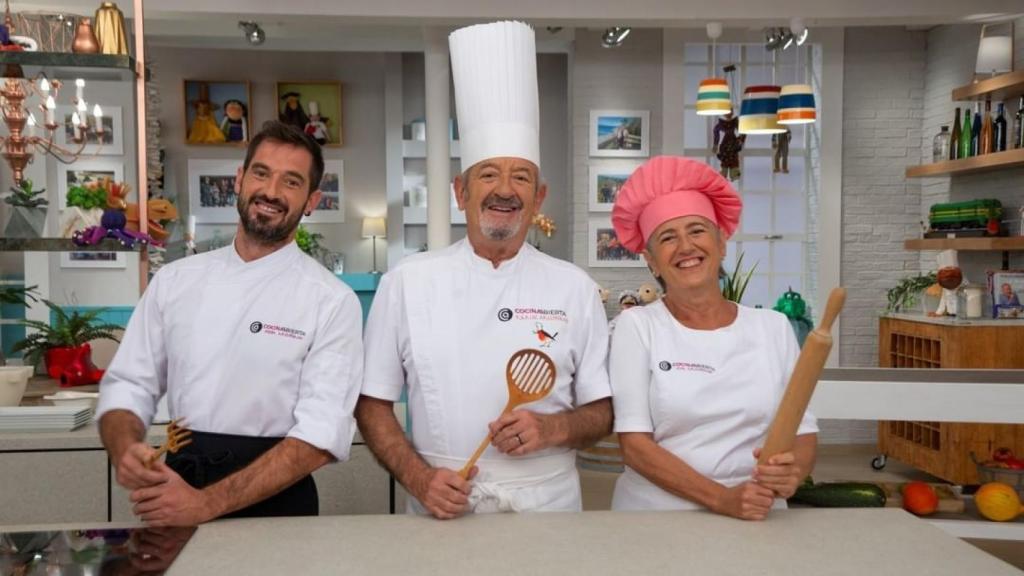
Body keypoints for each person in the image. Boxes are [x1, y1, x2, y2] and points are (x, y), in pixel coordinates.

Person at [357, 21, 612, 519]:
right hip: (444, 505)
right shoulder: (408, 282)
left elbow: (604, 410)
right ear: (461, 191)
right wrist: (418, 478)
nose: (504, 189)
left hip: (550, 509)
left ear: (538, 197)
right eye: (488, 174)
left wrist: (554, 429)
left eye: (521, 176)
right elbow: (372, 404)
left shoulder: (575, 288)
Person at [96, 121, 364, 526]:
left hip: (279, 501)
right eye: (261, 173)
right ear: (239, 179)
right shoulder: (175, 280)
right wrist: (124, 446)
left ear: (312, 200)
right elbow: (129, 384)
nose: (271, 192)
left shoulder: (331, 300)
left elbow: (320, 435)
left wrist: (206, 504)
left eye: (291, 182)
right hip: (176, 484)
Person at [608, 156, 818, 520]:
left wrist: (790, 474)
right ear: (652, 263)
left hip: (757, 510)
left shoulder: (773, 327)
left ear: (721, 243)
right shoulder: (638, 327)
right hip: (657, 517)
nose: (686, 246)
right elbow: (635, 445)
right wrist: (723, 500)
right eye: (668, 237)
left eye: (697, 230)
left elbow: (802, 430)